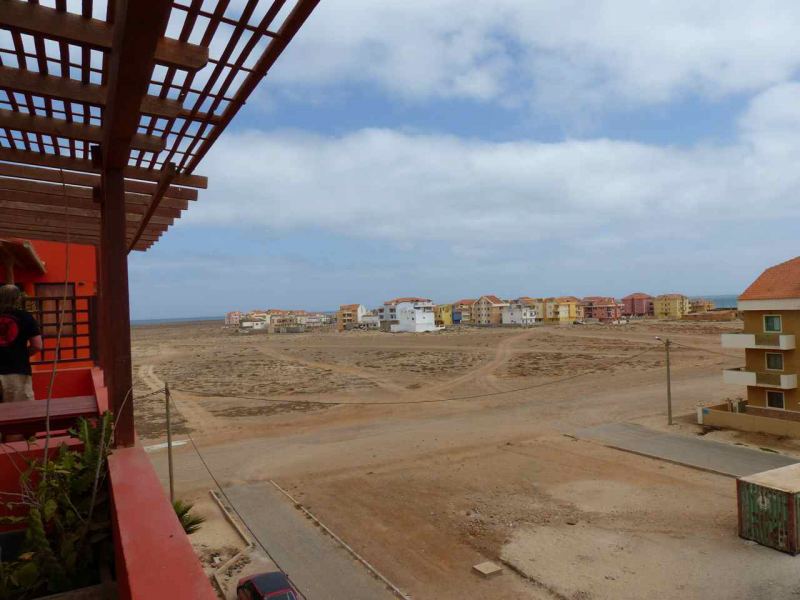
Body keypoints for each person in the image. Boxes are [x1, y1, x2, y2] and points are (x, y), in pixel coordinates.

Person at [0, 284, 43, 403]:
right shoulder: (25, 317)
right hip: (17, 371)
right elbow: (37, 345)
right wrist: (22, 354)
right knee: (19, 414)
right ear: (18, 298)